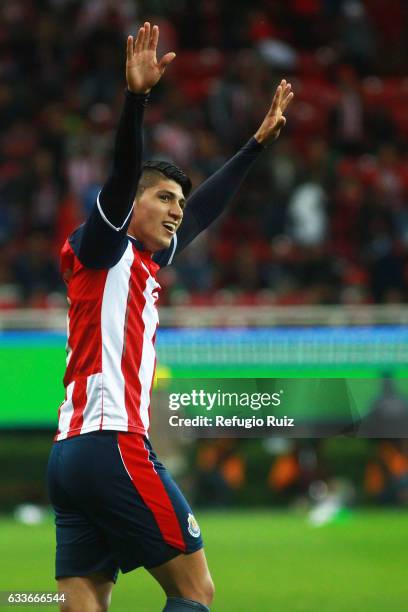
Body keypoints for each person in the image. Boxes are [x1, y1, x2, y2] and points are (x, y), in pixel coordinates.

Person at [47, 22, 293, 612]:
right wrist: (137, 101)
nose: (178, 211)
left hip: (69, 454)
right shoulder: (103, 245)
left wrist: (253, 146)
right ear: (127, 203)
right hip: (112, 441)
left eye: (177, 202)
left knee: (84, 596)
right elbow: (121, 173)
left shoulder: (136, 258)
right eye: (163, 198)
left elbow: (204, 212)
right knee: (194, 589)